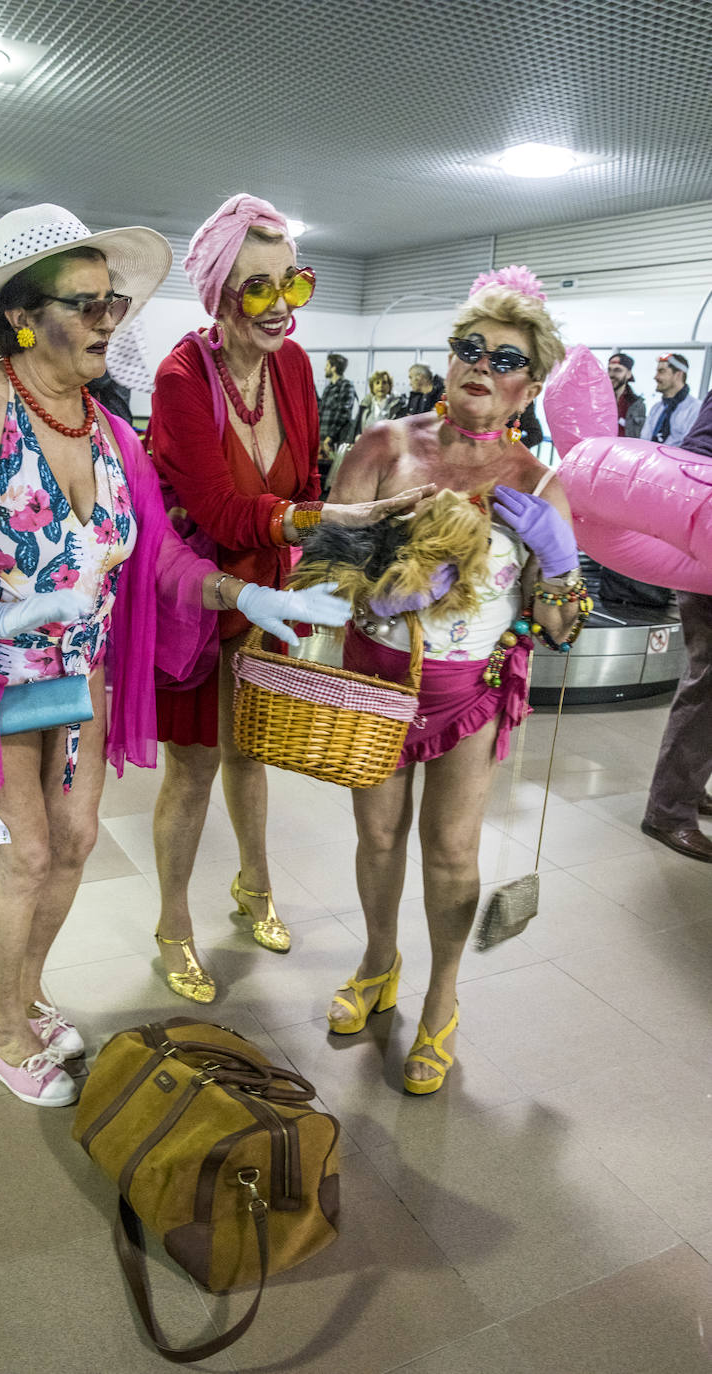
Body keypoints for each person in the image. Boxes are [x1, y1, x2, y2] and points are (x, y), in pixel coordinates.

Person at [0, 202, 352, 1108]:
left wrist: (248, 593)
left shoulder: (113, 435)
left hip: (79, 684)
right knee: (24, 859)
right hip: (0, 691)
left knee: (77, 841)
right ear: (20, 315)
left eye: (112, 302)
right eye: (86, 304)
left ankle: (27, 994)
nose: (108, 320)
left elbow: (158, 553)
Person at [148, 194, 432, 1003]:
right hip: (205, 599)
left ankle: (254, 884)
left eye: (293, 285)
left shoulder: (298, 369)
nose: (281, 309)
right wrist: (329, 516)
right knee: (196, 765)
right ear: (218, 295)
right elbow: (221, 513)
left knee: (254, 749)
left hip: (272, 591)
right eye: (259, 289)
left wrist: (335, 561)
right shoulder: (179, 378)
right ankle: (173, 923)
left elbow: (304, 479)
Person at [325, 265, 579, 1094]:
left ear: (529, 386)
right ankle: (376, 962)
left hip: (467, 695)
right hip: (373, 681)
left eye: (504, 359)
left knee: (452, 853)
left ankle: (441, 998)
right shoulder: (384, 447)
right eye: (469, 348)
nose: (481, 365)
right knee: (375, 838)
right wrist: (385, 577)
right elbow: (316, 570)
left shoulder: (539, 484)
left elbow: (561, 624)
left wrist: (563, 562)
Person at [640, 391, 712, 862]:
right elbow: (699, 460)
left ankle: (686, 787)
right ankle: (669, 809)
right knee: (710, 685)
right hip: (708, 556)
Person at [641, 351, 700, 443]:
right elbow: (644, 441)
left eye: (662, 371)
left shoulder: (695, 409)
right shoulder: (656, 408)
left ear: (678, 374)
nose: (655, 377)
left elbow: (691, 446)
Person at [317, 352, 357, 455]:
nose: (325, 369)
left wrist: (329, 438)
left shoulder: (346, 386)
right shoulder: (328, 388)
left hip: (336, 441)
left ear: (334, 368)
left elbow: (343, 414)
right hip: (322, 441)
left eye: (327, 365)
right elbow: (320, 412)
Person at [352, 370, 404, 438]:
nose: (381, 386)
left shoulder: (397, 406)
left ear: (389, 386)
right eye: (377, 383)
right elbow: (357, 427)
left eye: (384, 383)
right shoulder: (365, 405)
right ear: (372, 387)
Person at [607, 350, 645, 438]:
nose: (611, 375)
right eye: (609, 370)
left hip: (625, 450)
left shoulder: (637, 405)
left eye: (618, 370)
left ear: (628, 374)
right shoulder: (598, 401)